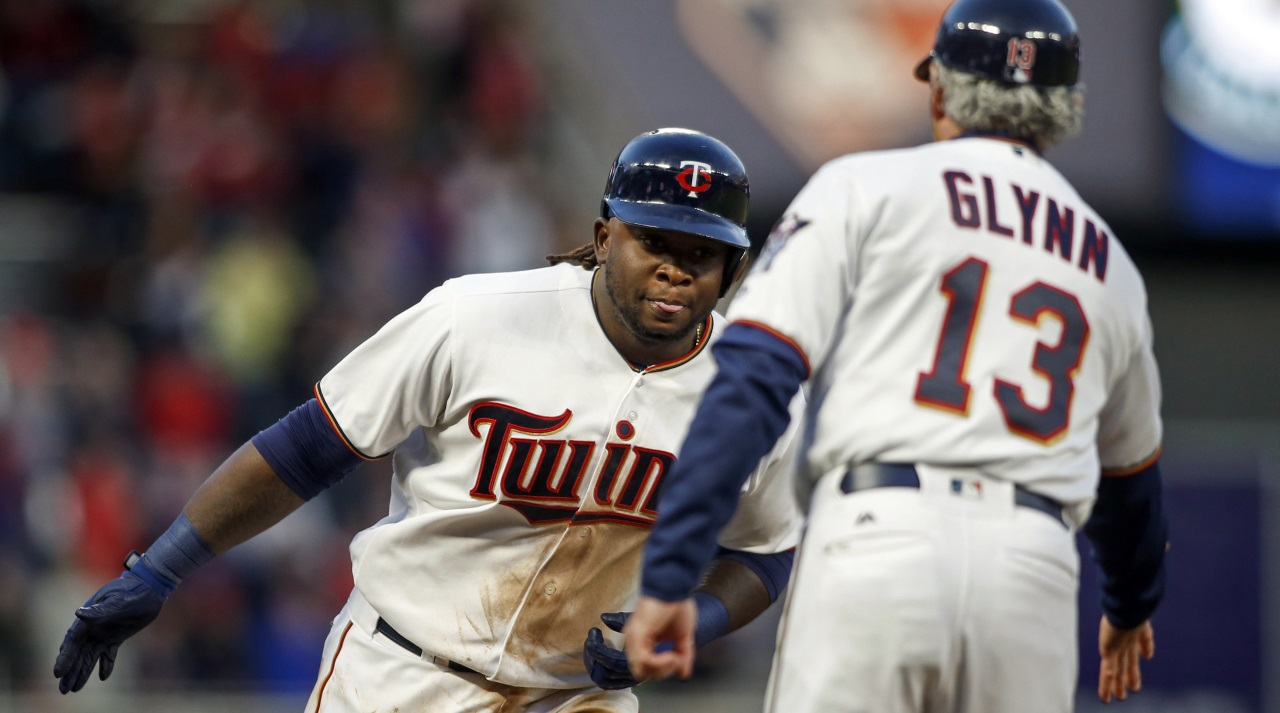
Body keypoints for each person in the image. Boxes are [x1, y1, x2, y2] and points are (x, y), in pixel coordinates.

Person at [53, 127, 803, 712]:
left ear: (732, 270)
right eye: (654, 241)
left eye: (702, 253)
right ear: (606, 236)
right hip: (403, 671)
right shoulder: (476, 317)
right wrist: (161, 565)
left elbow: (766, 551)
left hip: (580, 694)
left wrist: (689, 622)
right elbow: (308, 446)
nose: (676, 268)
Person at [621, 2, 1169, 711]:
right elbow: (1131, 485)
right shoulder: (1110, 264)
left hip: (879, 541)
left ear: (938, 90)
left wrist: (671, 573)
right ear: (1064, 108)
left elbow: (753, 380)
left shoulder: (865, 187)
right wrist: (1130, 608)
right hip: (1030, 571)